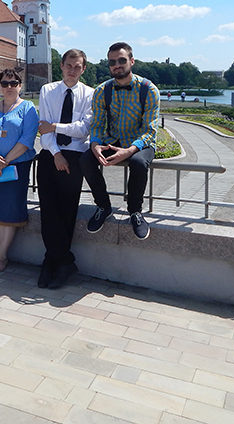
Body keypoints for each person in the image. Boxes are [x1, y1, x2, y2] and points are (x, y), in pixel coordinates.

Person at [80, 42, 160, 240]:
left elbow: (150, 130)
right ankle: (103, 206)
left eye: (122, 60)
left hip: (141, 141)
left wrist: (131, 149)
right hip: (113, 139)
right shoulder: (102, 91)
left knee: (138, 162)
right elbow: (97, 124)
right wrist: (95, 144)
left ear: (131, 61)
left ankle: (135, 211)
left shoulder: (148, 90)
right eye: (112, 62)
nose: (117, 65)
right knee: (85, 160)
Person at [36, 49, 96, 289]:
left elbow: (83, 129)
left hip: (75, 157)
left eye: (78, 66)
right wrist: (56, 153)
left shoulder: (91, 94)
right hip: (51, 154)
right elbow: (43, 128)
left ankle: (52, 262)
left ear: (83, 69)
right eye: (69, 65)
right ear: (61, 66)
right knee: (48, 210)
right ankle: (62, 261)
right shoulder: (47, 90)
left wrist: (56, 127)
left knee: (67, 212)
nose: (72, 70)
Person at [0, 69, 38, 273]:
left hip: (16, 167)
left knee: (10, 210)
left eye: (14, 83)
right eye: (5, 83)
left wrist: (6, 161)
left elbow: (27, 139)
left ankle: (2, 255)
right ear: (0, 86)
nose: (9, 87)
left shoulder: (28, 108)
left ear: (20, 85)